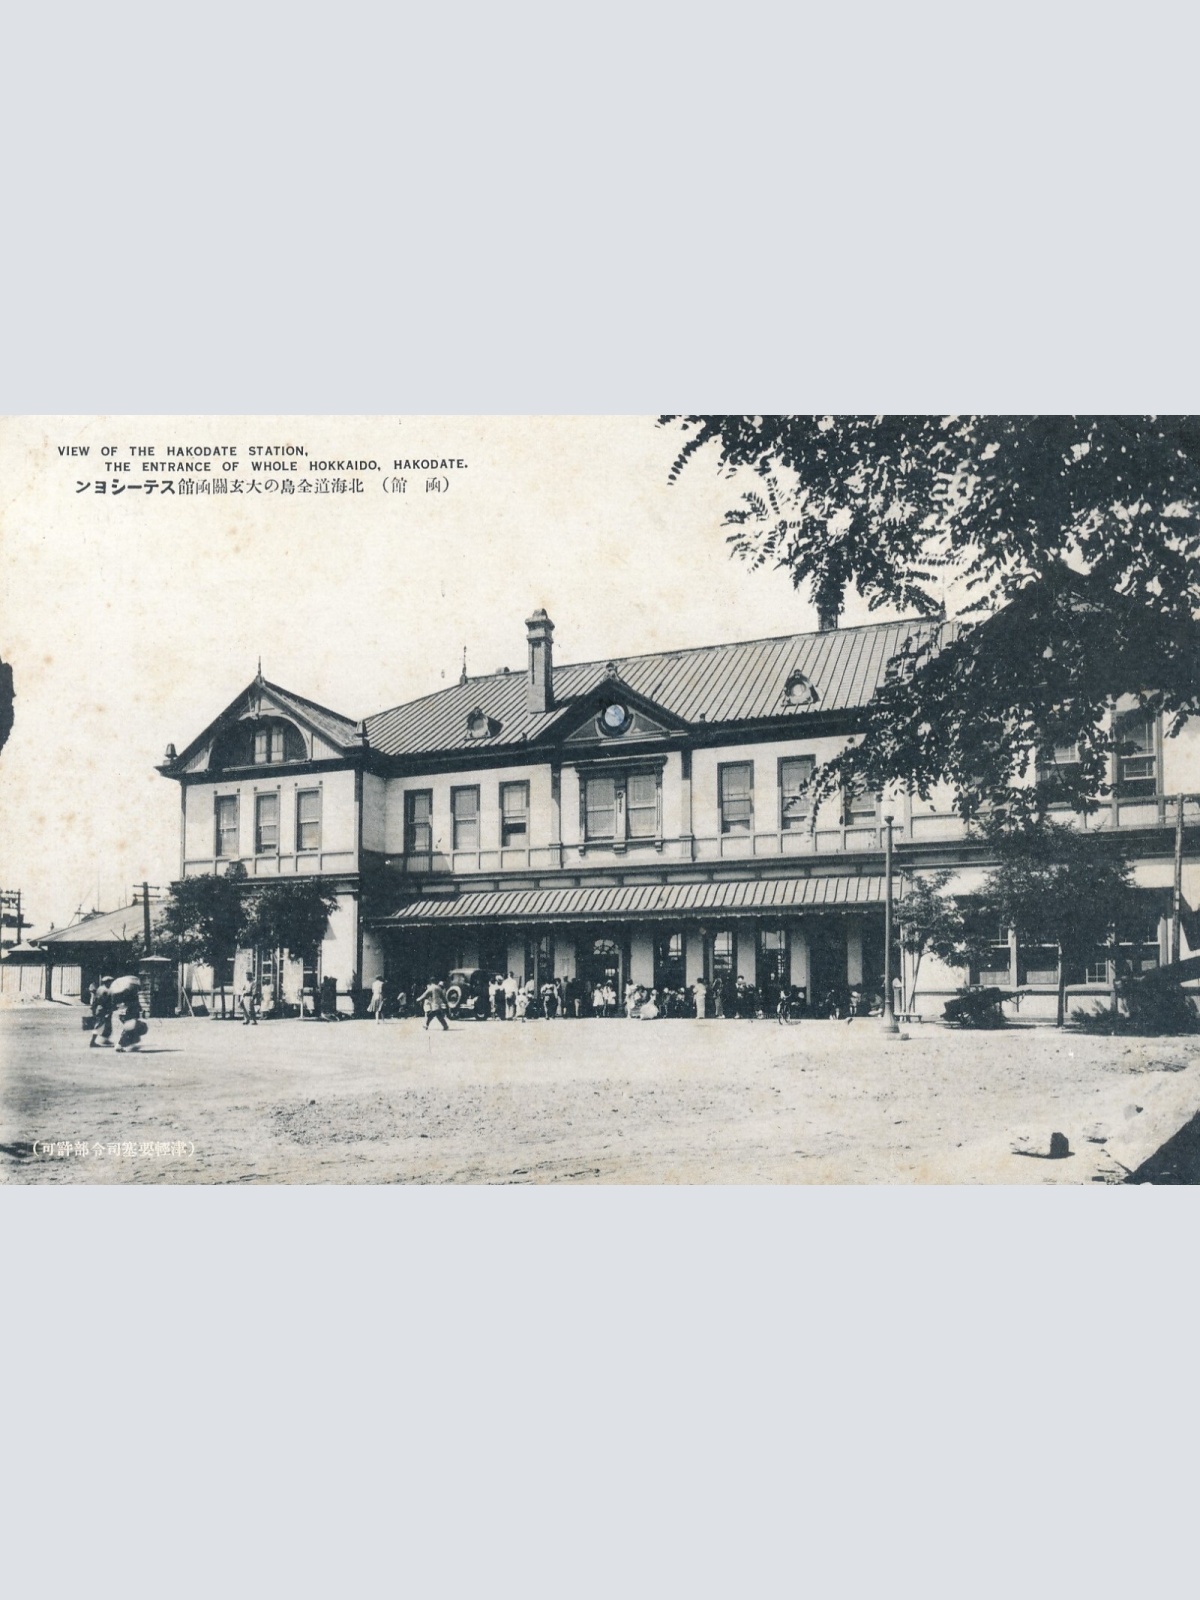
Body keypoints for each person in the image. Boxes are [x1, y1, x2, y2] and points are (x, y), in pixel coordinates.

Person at [89, 975, 115, 1047]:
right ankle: (92, 1042)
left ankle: (105, 1040)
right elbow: (105, 1002)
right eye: (110, 982)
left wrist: (93, 1009)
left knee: (106, 1026)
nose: (111, 983)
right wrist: (108, 1011)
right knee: (98, 1026)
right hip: (103, 1010)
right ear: (107, 982)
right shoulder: (106, 990)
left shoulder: (100, 988)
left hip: (99, 1009)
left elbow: (95, 1000)